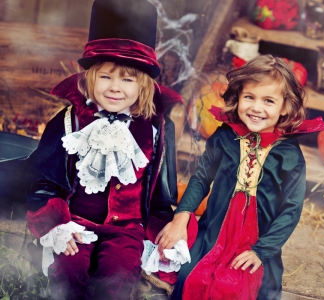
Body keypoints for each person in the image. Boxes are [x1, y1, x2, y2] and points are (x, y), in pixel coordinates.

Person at [24, 0, 196, 299]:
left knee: (117, 279)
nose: (115, 87)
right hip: (75, 223)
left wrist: (162, 230)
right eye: (105, 76)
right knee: (68, 272)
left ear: (142, 86)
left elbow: (160, 195)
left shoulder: (157, 130)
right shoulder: (69, 122)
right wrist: (58, 225)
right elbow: (44, 181)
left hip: (127, 229)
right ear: (90, 78)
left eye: (127, 79)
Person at [156, 54, 324, 299]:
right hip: (216, 230)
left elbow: (291, 210)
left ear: (285, 106)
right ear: (238, 96)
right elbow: (201, 178)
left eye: (269, 101)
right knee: (192, 278)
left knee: (245, 288)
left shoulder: (289, 155)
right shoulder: (224, 136)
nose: (256, 108)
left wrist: (261, 252)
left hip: (256, 240)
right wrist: (181, 217)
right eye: (249, 97)